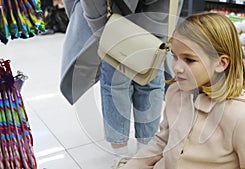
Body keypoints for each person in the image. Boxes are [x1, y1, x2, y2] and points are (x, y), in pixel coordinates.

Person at [122, 12, 245, 169]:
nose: (176, 67)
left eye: (189, 60)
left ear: (221, 63)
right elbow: (163, 141)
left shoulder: (243, 116)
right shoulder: (176, 93)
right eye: (175, 56)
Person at [60, 0, 183, 168]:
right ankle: (122, 152)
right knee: (120, 83)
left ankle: (143, 150)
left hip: (153, 11)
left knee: (143, 80)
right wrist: (100, 28)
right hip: (113, 14)